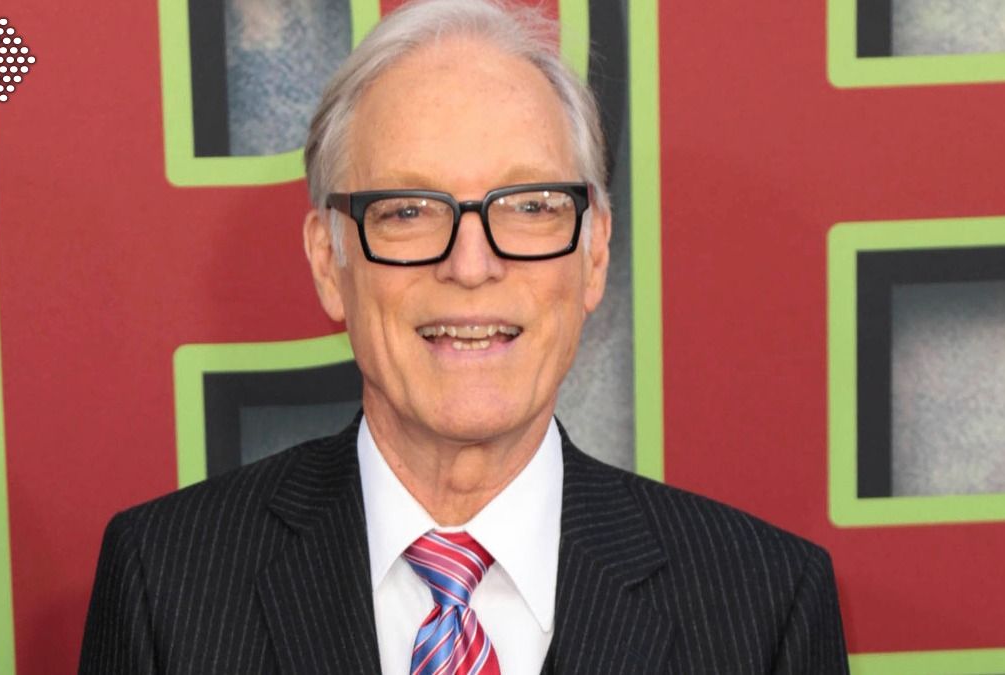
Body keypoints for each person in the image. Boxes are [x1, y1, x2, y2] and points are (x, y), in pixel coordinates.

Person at [80, 1, 849, 673]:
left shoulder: (763, 610)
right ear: (327, 262)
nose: (471, 265)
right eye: (409, 211)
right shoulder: (166, 583)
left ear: (595, 255)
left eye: (530, 205)